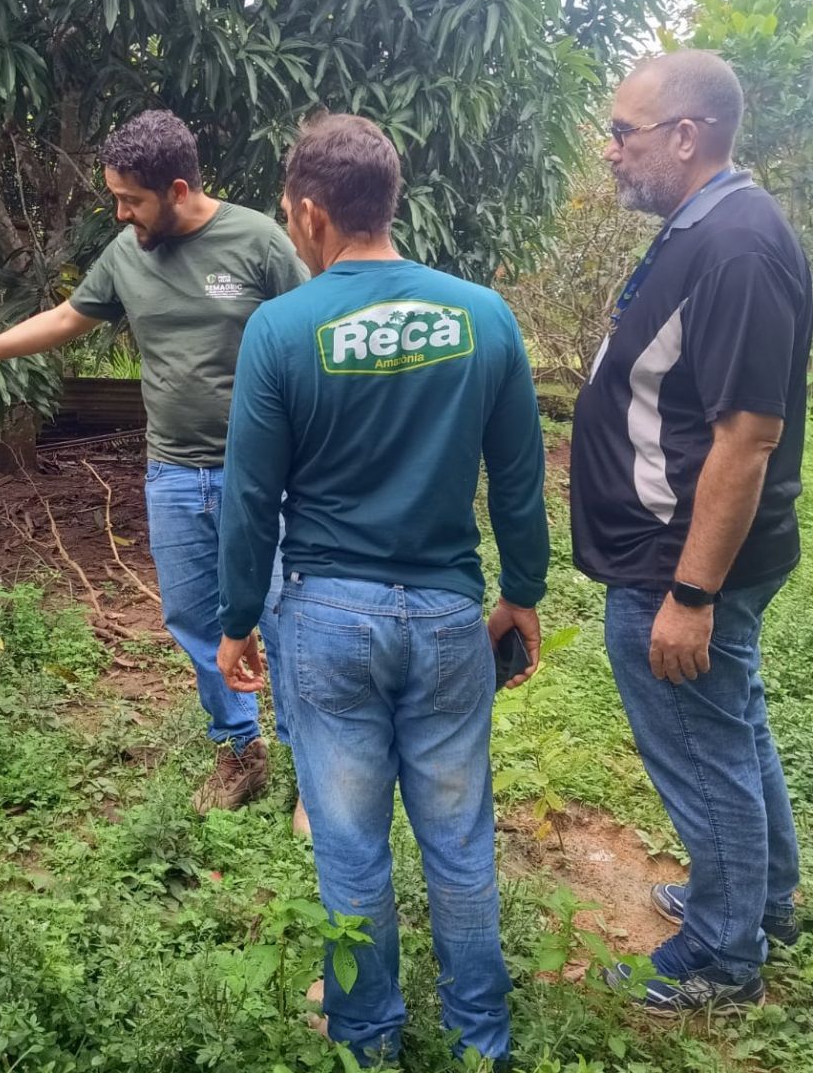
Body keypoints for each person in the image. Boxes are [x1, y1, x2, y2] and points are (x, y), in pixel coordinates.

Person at [214, 114, 549, 1067]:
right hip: (447, 618)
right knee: (458, 840)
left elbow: (250, 495)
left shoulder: (281, 328)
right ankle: (483, 1041)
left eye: (288, 216)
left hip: (325, 619)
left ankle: (367, 1039)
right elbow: (518, 479)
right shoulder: (483, 315)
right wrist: (522, 590)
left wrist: (237, 619)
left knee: (351, 847)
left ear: (313, 213)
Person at [0, 110, 306, 814]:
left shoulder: (257, 240)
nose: (119, 212)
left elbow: (312, 329)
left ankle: (313, 764)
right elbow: (67, 317)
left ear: (177, 189)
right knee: (191, 619)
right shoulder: (126, 253)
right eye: (114, 197)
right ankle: (240, 751)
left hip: (262, 474)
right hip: (173, 471)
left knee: (279, 613)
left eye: (130, 199)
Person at [571, 50, 810, 1013]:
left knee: (702, 743)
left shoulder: (739, 245)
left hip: (680, 561)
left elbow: (747, 436)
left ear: (685, 136)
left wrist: (690, 595)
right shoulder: (700, 226)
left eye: (623, 133)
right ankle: (763, 899)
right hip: (672, 550)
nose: (610, 151)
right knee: (732, 723)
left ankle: (721, 953)